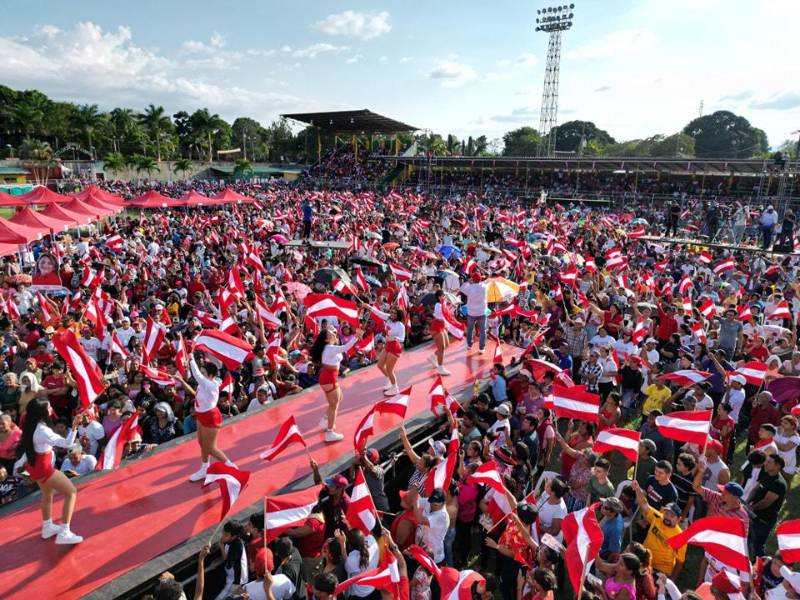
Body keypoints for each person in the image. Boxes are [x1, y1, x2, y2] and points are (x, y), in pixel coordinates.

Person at [16, 398, 83, 544]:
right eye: (49, 407)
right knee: (71, 492)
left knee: (47, 494)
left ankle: (47, 527)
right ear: (42, 412)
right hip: (44, 468)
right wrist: (74, 426)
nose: (51, 408)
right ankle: (64, 532)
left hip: (35, 467)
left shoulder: (30, 426)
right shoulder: (43, 430)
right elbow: (67, 444)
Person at [181, 353, 235, 482]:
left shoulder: (211, 385)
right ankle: (204, 469)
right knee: (202, 443)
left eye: (204, 373)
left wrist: (191, 359)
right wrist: (181, 381)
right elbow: (196, 393)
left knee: (211, 448)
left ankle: (233, 468)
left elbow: (198, 376)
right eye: (202, 372)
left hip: (210, 417)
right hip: (201, 415)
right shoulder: (204, 384)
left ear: (211, 375)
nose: (202, 375)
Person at [310, 326, 361, 442]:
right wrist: (356, 336)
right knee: (334, 406)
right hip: (329, 378)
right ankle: (330, 432)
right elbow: (346, 347)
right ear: (327, 339)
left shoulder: (328, 348)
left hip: (328, 377)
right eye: (331, 334)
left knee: (339, 398)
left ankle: (325, 420)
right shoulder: (330, 348)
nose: (334, 334)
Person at [631, 481, 685, 579]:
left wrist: (672, 580)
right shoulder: (658, 517)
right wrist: (637, 489)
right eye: (666, 514)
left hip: (661, 570)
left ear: (678, 519)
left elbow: (680, 562)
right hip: (645, 560)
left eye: (672, 516)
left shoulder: (680, 537)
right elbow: (644, 504)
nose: (667, 517)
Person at [216, 520, 248, 600]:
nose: (222, 536)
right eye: (223, 532)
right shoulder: (231, 541)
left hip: (236, 580)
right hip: (231, 576)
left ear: (234, 536)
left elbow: (228, 564)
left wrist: (222, 547)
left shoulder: (236, 546)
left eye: (226, 535)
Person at [460, 270, 488, 353]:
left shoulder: (469, 287)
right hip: (482, 312)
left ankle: (469, 345)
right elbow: (484, 283)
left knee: (470, 329)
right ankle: (481, 348)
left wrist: (468, 282)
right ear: (480, 279)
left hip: (472, 312)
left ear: (473, 279)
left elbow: (462, 288)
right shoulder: (484, 287)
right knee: (483, 331)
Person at [428, 289, 453, 376]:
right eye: (443, 296)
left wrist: (451, 307)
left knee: (446, 345)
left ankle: (433, 357)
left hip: (442, 326)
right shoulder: (438, 305)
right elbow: (444, 315)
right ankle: (440, 368)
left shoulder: (443, 304)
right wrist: (449, 307)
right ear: (439, 297)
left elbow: (446, 313)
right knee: (441, 348)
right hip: (436, 327)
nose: (445, 297)